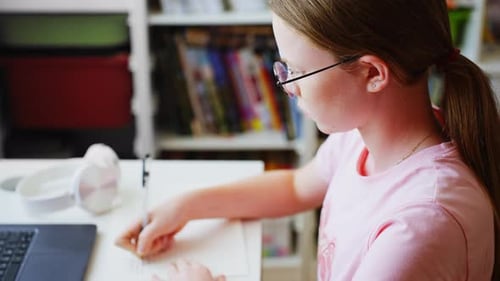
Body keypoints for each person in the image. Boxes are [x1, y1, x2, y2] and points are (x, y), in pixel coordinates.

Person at [116, 0, 500, 280]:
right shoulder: (366, 137)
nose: (286, 86)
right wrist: (186, 207)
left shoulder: (419, 225)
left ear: (372, 73)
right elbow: (297, 186)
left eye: (295, 71)